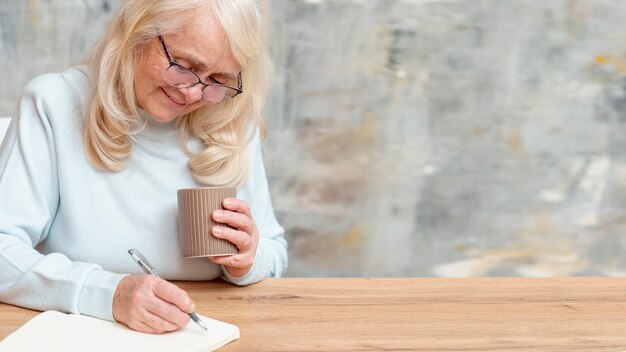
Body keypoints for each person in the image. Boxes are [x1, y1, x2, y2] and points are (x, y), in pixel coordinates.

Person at [0, 0, 287, 334]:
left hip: (204, 331)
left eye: (218, 79)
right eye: (183, 65)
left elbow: (274, 252)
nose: (194, 93)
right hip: (80, 330)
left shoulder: (231, 121)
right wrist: (110, 294)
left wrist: (249, 260)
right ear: (137, 32)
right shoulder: (54, 103)